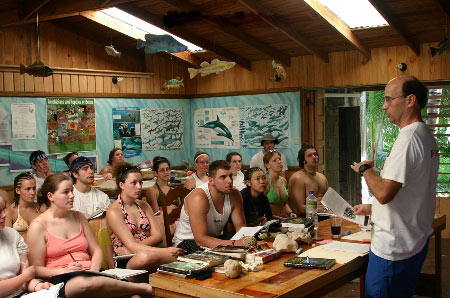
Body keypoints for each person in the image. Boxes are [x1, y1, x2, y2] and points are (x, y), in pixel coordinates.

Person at [351, 76, 439, 297]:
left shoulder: (408, 139)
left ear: (410, 100)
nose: (384, 106)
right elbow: (412, 190)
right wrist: (372, 209)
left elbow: (383, 193)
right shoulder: (424, 134)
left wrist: (365, 170)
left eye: (390, 99)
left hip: (394, 249)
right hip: (412, 240)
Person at [26, 173, 153, 297]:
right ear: (50, 196)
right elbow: (36, 268)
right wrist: (64, 271)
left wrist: (94, 271)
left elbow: (96, 250)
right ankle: (142, 287)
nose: (71, 195)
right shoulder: (38, 226)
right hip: (63, 279)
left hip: (91, 273)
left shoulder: (79, 217)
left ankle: (126, 288)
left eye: (72, 191)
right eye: (65, 192)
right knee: (82, 283)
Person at [107, 163, 183, 272]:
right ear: (121, 185)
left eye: (140, 182)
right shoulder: (114, 211)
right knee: (146, 257)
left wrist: (133, 247)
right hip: (127, 259)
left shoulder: (143, 205)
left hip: (149, 251)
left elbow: (158, 236)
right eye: (133, 183)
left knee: (174, 257)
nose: (139, 187)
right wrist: (164, 251)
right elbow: (132, 245)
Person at [173, 160, 247, 252]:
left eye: (230, 176)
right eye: (223, 177)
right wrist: (233, 244)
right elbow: (200, 239)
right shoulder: (198, 197)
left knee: (250, 248)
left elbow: (241, 228)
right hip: (188, 241)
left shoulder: (235, 194)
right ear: (211, 180)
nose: (229, 181)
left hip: (214, 237)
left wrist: (245, 242)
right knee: (222, 255)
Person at [0, 194, 53, 298]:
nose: (4, 215)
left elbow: (26, 277)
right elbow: (25, 276)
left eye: (3, 209)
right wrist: (24, 277)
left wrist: (38, 286)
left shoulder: (12, 235)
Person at [288, 144, 329, 216]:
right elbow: (300, 208)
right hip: (306, 218)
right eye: (310, 155)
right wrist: (324, 209)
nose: (314, 157)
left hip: (324, 215)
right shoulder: (298, 178)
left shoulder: (322, 177)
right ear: (303, 160)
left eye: (315, 154)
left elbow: (327, 201)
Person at [264, 151, 296, 220]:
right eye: (274, 160)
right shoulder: (265, 182)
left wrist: (290, 213)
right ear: (267, 165)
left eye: (279, 159)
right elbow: (261, 209)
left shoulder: (283, 180)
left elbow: (285, 204)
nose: (279, 162)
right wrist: (281, 219)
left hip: (285, 218)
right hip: (271, 221)